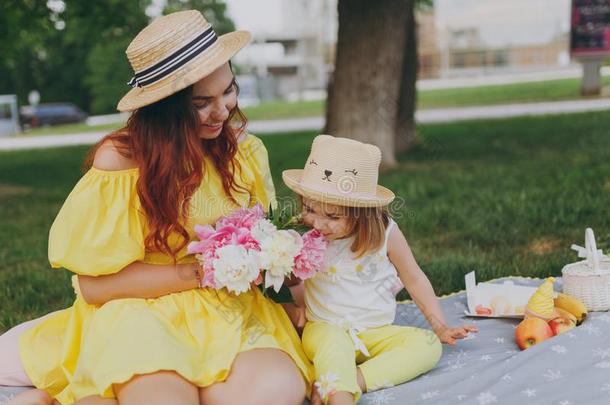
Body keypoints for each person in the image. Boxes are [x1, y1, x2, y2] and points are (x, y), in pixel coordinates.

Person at [1, 10, 312, 405]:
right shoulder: (121, 161)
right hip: (141, 312)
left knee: (273, 393)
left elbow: (270, 246)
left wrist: (299, 294)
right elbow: (95, 286)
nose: (223, 112)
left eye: (228, 91)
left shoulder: (243, 150)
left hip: (229, 312)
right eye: (201, 103)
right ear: (164, 106)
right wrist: (203, 272)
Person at [281, 135, 478, 405]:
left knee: (427, 346)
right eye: (310, 209)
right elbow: (290, 281)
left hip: (375, 332)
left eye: (333, 216)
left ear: (362, 212)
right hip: (326, 328)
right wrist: (289, 278)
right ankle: (339, 396)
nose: (319, 223)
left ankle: (352, 379)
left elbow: (414, 278)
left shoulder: (386, 233)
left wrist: (439, 326)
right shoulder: (303, 236)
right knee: (333, 345)